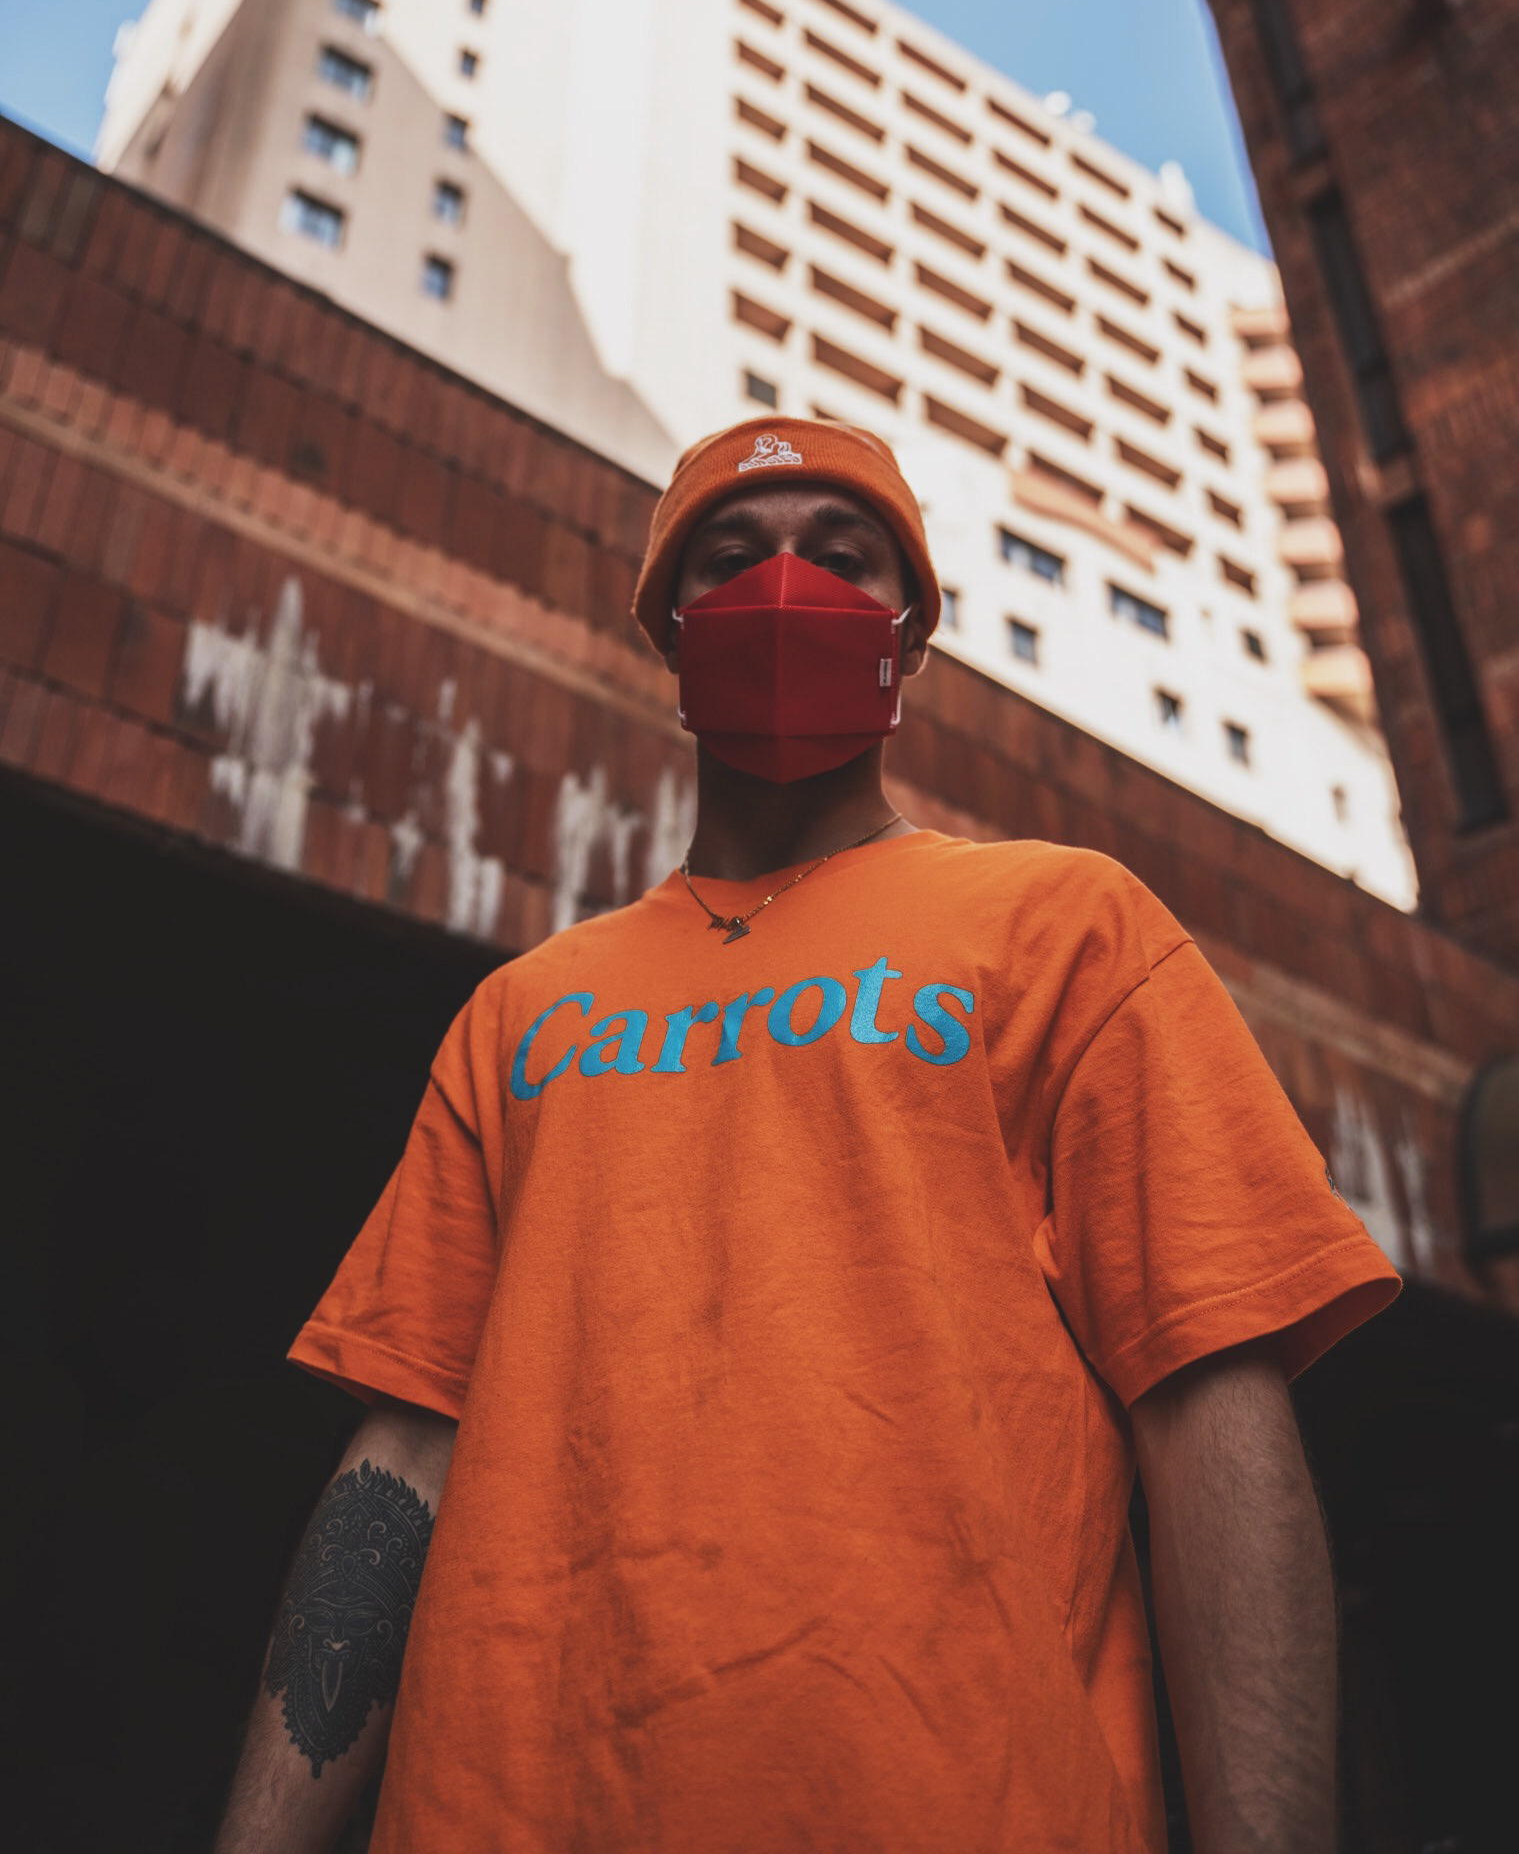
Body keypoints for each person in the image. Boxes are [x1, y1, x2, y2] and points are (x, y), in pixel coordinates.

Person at [214, 416, 1399, 1854]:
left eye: (842, 557)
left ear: (912, 634)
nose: (786, 588)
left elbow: (1208, 1398)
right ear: (669, 633)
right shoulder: (520, 1012)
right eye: (730, 559)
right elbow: (404, 1452)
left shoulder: (1069, 929)